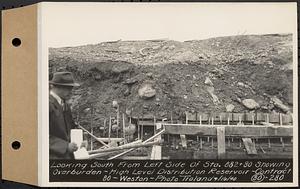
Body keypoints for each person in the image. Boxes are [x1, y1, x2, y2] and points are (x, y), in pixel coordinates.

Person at [49, 71, 81, 159]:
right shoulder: (46, 104)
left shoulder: (64, 104)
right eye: (68, 88)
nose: (71, 91)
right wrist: (65, 146)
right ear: (55, 87)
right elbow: (41, 135)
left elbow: (70, 127)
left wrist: (80, 140)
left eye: (71, 88)